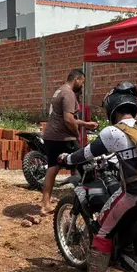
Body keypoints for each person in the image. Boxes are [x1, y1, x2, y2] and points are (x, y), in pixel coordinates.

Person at [59, 82, 137, 272]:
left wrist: (67, 158)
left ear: (112, 109)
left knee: (101, 231)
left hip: (135, 194)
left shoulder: (113, 131)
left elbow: (87, 153)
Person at [41, 69, 97, 215]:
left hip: (50, 137)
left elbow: (65, 116)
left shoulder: (59, 91)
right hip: (64, 139)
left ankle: (45, 205)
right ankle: (90, 202)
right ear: (77, 79)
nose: (82, 86)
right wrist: (77, 134)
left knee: (52, 169)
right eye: (82, 82)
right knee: (86, 166)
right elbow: (68, 120)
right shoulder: (69, 94)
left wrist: (85, 124)